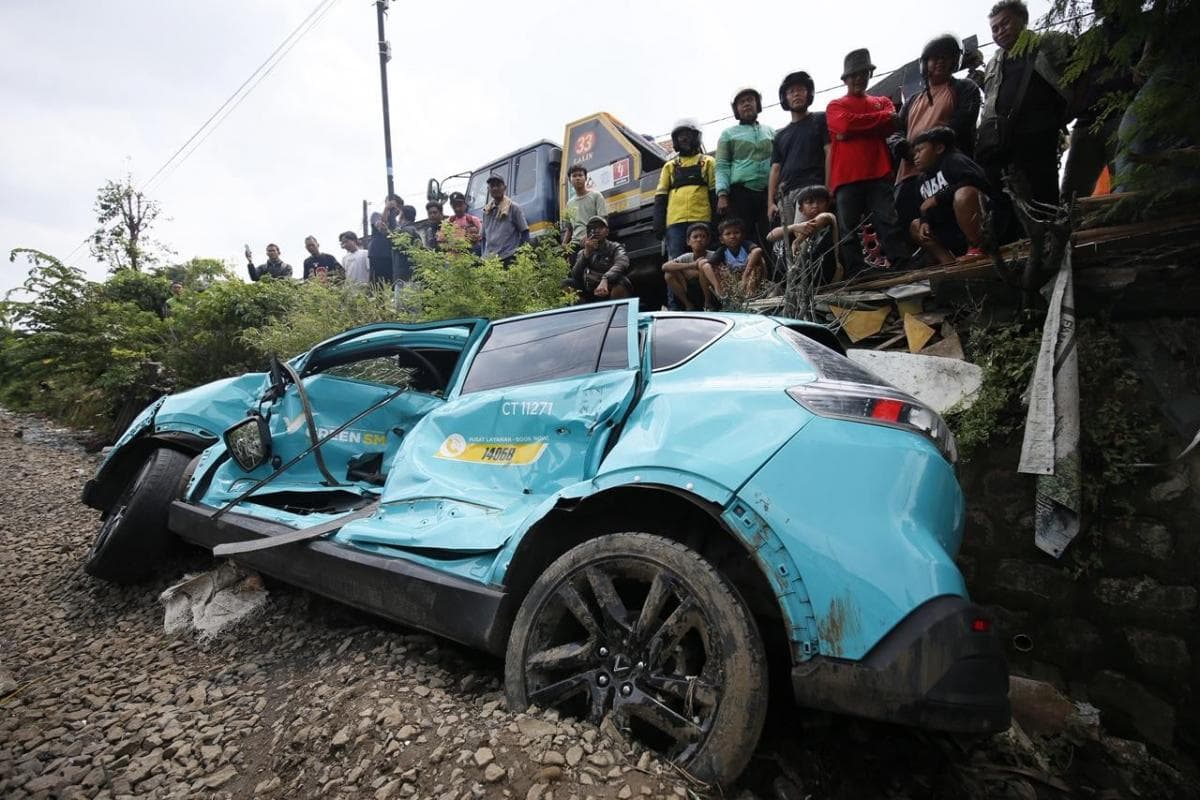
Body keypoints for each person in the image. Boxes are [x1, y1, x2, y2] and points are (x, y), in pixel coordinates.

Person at [977, 0, 1074, 206]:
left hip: (1040, 131)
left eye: (1005, 23)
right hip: (1005, 139)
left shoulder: (1049, 42)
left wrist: (1069, 110)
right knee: (1006, 197)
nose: (1000, 31)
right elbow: (991, 99)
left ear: (1022, 20)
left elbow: (1077, 72)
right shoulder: (994, 62)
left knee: (1044, 194)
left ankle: (1052, 233)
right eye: (995, 28)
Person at [826, 47, 910, 274]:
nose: (859, 79)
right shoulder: (835, 105)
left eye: (864, 73)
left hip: (878, 172)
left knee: (888, 221)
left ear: (870, 75)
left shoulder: (882, 101)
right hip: (846, 177)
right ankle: (856, 273)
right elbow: (842, 126)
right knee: (849, 230)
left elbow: (893, 122)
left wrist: (856, 127)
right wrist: (876, 125)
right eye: (854, 75)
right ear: (845, 79)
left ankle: (901, 264)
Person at [894, 35, 982, 231]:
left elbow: (962, 123)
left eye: (946, 57)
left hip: (947, 168)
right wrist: (904, 148)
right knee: (909, 222)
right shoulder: (912, 100)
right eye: (935, 58)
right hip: (909, 172)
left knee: (949, 215)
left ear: (955, 60)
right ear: (925, 63)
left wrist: (932, 148)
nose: (940, 62)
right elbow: (896, 131)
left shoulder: (965, 88)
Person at [909, 126, 1003, 264]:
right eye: (914, 153)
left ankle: (978, 247)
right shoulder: (921, 180)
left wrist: (938, 198)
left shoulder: (954, 160)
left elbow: (977, 181)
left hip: (984, 224)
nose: (915, 157)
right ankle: (947, 261)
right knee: (915, 225)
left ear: (939, 148)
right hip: (950, 230)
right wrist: (925, 221)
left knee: (964, 193)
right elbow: (924, 207)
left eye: (919, 151)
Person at [654, 119, 717, 308]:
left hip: (702, 219)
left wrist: (716, 220)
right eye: (680, 136)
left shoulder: (708, 162)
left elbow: (714, 192)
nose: (683, 138)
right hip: (675, 223)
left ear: (696, 137)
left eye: (687, 135)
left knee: (708, 263)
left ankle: (711, 303)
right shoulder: (670, 166)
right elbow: (661, 194)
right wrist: (658, 223)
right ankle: (678, 307)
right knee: (674, 266)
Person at [767, 71, 829, 227]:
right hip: (786, 194)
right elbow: (775, 169)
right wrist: (770, 203)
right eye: (791, 91)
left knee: (809, 240)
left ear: (809, 93)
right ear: (785, 98)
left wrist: (829, 186)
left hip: (812, 187)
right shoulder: (780, 135)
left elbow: (830, 152)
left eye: (801, 90)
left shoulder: (820, 119)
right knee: (790, 244)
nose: (796, 94)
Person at [716, 88, 774, 252]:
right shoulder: (728, 134)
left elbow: (778, 162)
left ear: (758, 105)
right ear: (736, 109)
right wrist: (722, 194)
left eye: (750, 100)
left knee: (770, 235)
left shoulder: (770, 132)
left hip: (767, 194)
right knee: (742, 239)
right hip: (740, 194)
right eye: (742, 102)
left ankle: (775, 276)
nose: (747, 104)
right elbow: (721, 165)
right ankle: (749, 277)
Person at [765, 185, 840, 285]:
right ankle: (782, 284)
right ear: (801, 209)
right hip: (797, 279)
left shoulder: (830, 219)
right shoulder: (798, 228)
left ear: (827, 205)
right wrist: (793, 227)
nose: (815, 205)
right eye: (810, 202)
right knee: (781, 241)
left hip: (823, 277)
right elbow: (770, 236)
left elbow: (822, 218)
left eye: (820, 201)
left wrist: (798, 240)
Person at [566, 216, 631, 303]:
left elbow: (622, 262)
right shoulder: (583, 252)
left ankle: (616, 312)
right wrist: (586, 254)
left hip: (608, 288)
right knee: (567, 283)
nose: (596, 231)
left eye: (600, 227)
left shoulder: (615, 247)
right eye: (592, 228)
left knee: (623, 282)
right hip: (589, 292)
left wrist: (605, 278)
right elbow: (575, 275)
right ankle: (581, 312)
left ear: (607, 231)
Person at [699, 218, 765, 302]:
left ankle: (750, 297)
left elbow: (757, 250)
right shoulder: (722, 250)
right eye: (728, 234)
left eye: (736, 233)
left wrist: (745, 275)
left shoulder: (745, 245)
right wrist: (717, 286)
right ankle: (723, 295)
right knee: (707, 265)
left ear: (742, 235)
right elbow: (706, 266)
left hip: (749, 278)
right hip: (732, 281)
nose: (732, 236)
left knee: (759, 260)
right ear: (721, 239)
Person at [661, 223, 716, 311]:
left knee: (703, 264)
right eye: (695, 237)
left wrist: (696, 273)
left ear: (708, 240)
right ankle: (688, 305)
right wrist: (692, 265)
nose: (699, 239)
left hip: (711, 292)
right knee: (669, 274)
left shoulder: (714, 255)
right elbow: (665, 267)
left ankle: (708, 304)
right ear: (688, 241)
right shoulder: (686, 257)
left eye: (703, 236)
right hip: (692, 292)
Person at [480, 174, 530, 264]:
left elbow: (525, 232)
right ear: (488, 189)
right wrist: (483, 255)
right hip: (490, 261)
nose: (495, 188)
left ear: (504, 188)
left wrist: (522, 255)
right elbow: (483, 237)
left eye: (498, 185)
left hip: (508, 257)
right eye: (492, 186)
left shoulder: (513, 208)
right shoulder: (486, 211)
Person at [561, 164, 608, 248]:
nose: (577, 178)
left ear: (586, 178)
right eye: (574, 176)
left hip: (593, 241)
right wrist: (564, 244)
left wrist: (589, 235)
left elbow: (603, 221)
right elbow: (569, 228)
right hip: (575, 245)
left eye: (580, 175)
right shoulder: (569, 203)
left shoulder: (596, 196)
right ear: (570, 180)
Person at [392, 205, 424, 283]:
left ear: (402, 215)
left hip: (404, 278)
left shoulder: (404, 231)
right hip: (413, 277)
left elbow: (400, 253)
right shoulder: (414, 231)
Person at [367, 212, 395, 284]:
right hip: (377, 254)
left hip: (389, 256)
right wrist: (387, 208)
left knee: (390, 283)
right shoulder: (376, 215)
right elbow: (381, 227)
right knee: (377, 283)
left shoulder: (395, 221)